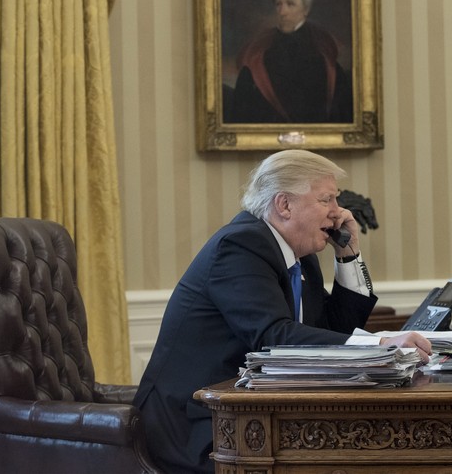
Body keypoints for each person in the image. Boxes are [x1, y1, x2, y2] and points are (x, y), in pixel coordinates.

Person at [132, 150, 432, 473]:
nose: (338, 213)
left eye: (336, 200)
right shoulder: (240, 246)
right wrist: (380, 345)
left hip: (254, 419)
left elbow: (336, 330)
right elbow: (274, 338)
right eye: (326, 200)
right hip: (196, 427)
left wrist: (348, 256)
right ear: (284, 205)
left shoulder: (301, 258)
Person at [226, 0, 353, 123]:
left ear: (306, 8)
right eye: (278, 4)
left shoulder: (323, 51)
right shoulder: (259, 51)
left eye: (290, 4)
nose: (282, 12)